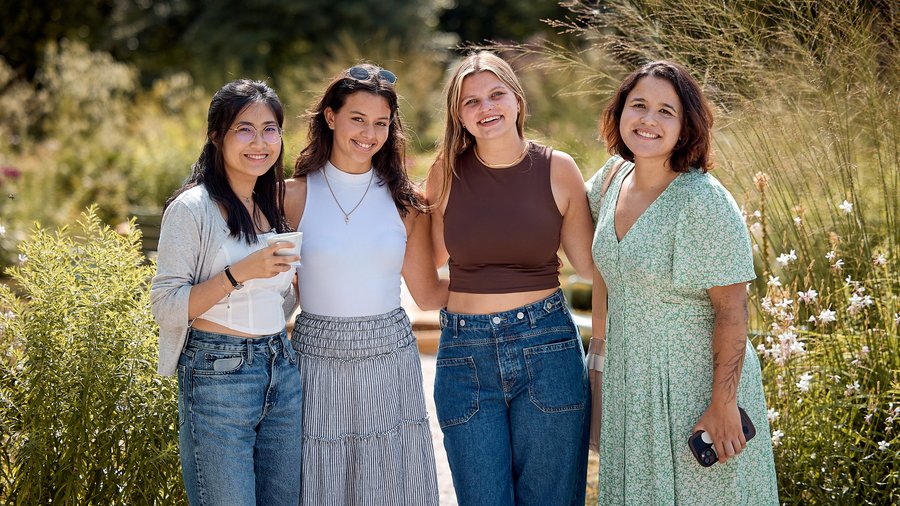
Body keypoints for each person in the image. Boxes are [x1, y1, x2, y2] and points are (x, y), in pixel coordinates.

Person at [586, 60, 779, 503]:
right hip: (629, 377)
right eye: (638, 105)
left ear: (686, 125)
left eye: (665, 111)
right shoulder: (612, 179)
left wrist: (724, 405)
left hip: (695, 384)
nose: (648, 120)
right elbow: (561, 211)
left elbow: (732, 309)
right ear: (619, 114)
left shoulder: (704, 202)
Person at [426, 51, 596, 506]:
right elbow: (427, 273)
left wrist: (603, 347)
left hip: (548, 348)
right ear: (458, 115)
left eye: (496, 94)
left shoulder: (558, 168)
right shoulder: (446, 171)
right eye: (471, 102)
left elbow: (595, 268)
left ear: (517, 100)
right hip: (465, 355)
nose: (486, 108)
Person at [283, 63, 446, 506]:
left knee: (386, 484)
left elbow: (428, 294)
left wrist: (508, 278)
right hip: (315, 356)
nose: (368, 133)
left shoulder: (405, 201)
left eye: (380, 123)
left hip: (389, 354)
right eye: (357, 118)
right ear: (331, 117)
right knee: (319, 480)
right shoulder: (292, 196)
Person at [150, 79, 303, 506]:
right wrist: (238, 274)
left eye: (270, 128)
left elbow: (272, 302)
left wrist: (293, 286)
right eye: (244, 129)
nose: (260, 141)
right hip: (219, 373)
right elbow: (165, 307)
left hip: (281, 368)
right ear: (216, 136)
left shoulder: (271, 206)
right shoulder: (191, 208)